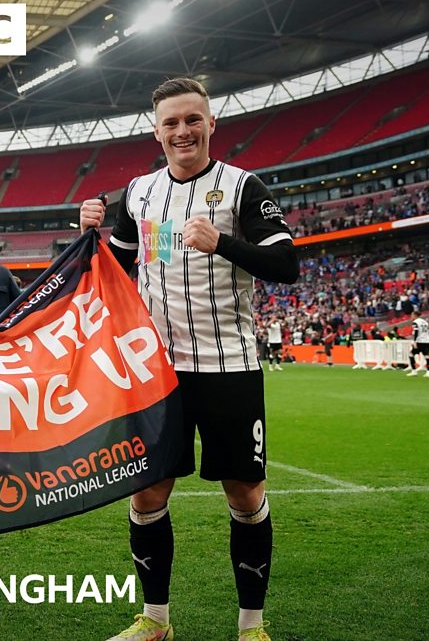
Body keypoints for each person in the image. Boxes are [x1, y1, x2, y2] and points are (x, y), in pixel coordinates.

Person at [80, 77, 298, 641]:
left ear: (211, 124)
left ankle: (251, 628)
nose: (183, 131)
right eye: (171, 122)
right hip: (157, 372)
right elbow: (114, 270)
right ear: (156, 131)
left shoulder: (243, 187)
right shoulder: (139, 193)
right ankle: (155, 621)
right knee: (147, 492)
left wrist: (222, 243)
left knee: (244, 493)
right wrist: (89, 237)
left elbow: (286, 264)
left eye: (192, 119)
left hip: (230, 366)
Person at [407, 310, 429, 377]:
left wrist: (414, 341)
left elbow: (416, 332)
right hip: (426, 341)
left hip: (419, 341)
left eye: (412, 315)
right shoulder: (425, 322)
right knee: (427, 356)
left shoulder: (415, 322)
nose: (411, 316)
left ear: (415, 315)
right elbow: (428, 331)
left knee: (411, 354)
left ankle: (414, 371)